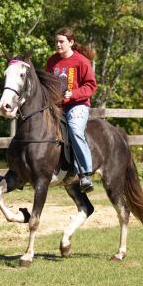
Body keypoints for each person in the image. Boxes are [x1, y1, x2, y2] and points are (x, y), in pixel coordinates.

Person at [46, 27, 98, 193]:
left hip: (78, 105)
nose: (58, 44)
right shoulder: (52, 61)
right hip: (57, 106)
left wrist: (73, 94)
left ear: (71, 42)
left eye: (61, 41)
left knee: (75, 129)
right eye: (56, 41)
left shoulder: (81, 61)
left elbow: (91, 85)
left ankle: (85, 174)